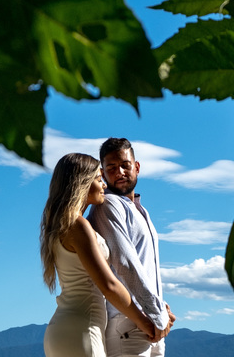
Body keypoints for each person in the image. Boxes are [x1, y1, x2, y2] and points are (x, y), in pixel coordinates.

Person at [40, 153, 165, 357]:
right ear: (82, 183)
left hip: (62, 328)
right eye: (99, 179)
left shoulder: (59, 225)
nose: (104, 185)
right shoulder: (78, 225)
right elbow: (109, 284)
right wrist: (146, 322)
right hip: (83, 328)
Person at [87, 138, 175, 357]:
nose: (120, 172)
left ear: (136, 167)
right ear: (102, 173)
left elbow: (145, 267)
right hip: (127, 322)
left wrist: (161, 307)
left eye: (125, 165)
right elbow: (125, 264)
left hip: (149, 323)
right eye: (111, 168)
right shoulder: (108, 205)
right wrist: (158, 315)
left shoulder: (140, 210)